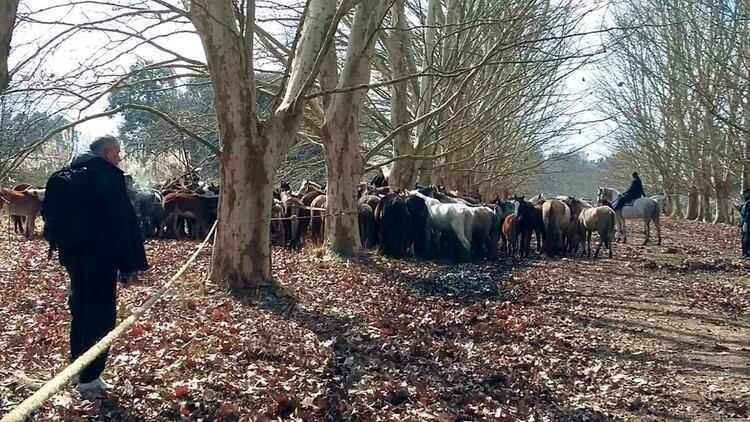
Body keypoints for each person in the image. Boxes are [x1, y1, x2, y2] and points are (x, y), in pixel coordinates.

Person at [63, 136, 148, 397]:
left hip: (74, 258)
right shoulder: (108, 176)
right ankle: (90, 378)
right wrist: (130, 264)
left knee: (81, 312)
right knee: (101, 318)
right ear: (108, 152)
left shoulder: (70, 174)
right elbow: (121, 222)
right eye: (118, 152)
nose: (120, 158)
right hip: (102, 259)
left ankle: (77, 370)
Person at [742, 189, 750, 258]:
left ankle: (747, 253)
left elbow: (748, 213)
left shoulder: (749, 202)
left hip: (748, 222)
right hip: (744, 221)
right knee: (744, 238)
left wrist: (746, 222)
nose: (743, 195)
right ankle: (744, 253)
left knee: (747, 239)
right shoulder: (746, 202)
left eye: (744, 194)